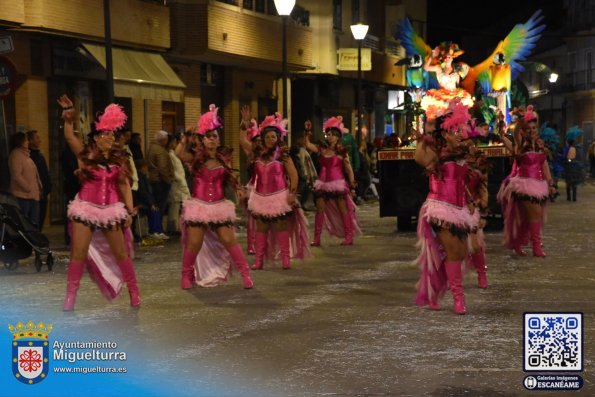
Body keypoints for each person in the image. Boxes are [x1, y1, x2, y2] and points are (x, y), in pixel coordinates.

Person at [57, 94, 140, 311]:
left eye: (112, 134)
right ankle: (70, 297)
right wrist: (69, 115)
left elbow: (124, 187)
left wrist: (129, 212)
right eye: (105, 134)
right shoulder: (84, 155)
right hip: (85, 208)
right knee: (78, 253)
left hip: (111, 210)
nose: (110, 137)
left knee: (121, 253)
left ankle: (134, 292)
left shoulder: (119, 159)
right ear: (96, 137)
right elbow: (69, 137)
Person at [179, 104, 253, 289]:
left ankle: (245, 274)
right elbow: (179, 153)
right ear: (202, 140)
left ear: (218, 140)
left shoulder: (223, 159)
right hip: (199, 206)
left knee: (229, 240)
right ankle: (186, 275)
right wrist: (186, 137)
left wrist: (238, 189)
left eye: (215, 136)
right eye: (208, 136)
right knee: (194, 242)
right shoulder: (195, 159)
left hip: (219, 205)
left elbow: (229, 178)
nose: (211, 139)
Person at [413, 98, 475, 315]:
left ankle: (435, 292)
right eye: (455, 130)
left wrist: (471, 200)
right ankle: (459, 299)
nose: (460, 133)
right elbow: (419, 159)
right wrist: (425, 136)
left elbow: (463, 182)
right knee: (453, 251)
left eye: (461, 129)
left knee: (460, 252)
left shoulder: (464, 154)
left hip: (459, 208)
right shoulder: (437, 153)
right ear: (445, 133)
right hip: (439, 207)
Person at [239, 107, 310, 270]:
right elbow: (242, 141)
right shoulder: (256, 152)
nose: (272, 139)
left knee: (281, 226)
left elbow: (293, 175)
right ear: (263, 138)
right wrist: (244, 124)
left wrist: (292, 194)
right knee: (261, 228)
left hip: (279, 195)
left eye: (274, 136)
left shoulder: (282, 154)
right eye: (269, 136)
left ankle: (285, 258)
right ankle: (259, 260)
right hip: (260, 196)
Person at [500, 106, 556, 257]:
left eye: (534, 127)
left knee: (525, 217)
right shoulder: (520, 144)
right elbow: (517, 132)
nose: (532, 130)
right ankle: (537, 247)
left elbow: (544, 165)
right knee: (535, 214)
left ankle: (518, 243)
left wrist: (550, 183)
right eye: (529, 128)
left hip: (539, 185)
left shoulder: (540, 145)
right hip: (524, 185)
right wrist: (521, 120)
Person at [304, 117, 361, 246]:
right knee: (320, 210)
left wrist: (352, 186)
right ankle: (316, 238)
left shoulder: (341, 152)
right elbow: (307, 145)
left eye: (332, 135)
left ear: (337, 137)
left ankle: (349, 236)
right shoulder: (322, 149)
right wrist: (307, 132)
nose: (329, 137)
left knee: (343, 210)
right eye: (328, 134)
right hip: (322, 184)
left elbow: (349, 169)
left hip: (337, 184)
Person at [422, 42, 474, 119]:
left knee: (455, 119)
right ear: (443, 58)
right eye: (445, 57)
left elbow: (457, 85)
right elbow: (426, 68)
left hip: (454, 96)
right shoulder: (439, 68)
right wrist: (432, 56)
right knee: (442, 118)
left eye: (449, 57)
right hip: (442, 98)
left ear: (452, 58)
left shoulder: (457, 70)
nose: (447, 59)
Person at [9, 131, 42, 227]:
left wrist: (39, 187)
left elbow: (34, 174)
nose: (28, 142)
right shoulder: (16, 155)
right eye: (26, 140)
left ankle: (34, 241)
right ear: (20, 141)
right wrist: (27, 188)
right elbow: (16, 175)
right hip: (23, 196)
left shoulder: (26, 155)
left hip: (33, 195)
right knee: (25, 224)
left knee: (34, 223)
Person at [147, 130, 173, 239]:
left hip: (154, 180)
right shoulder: (160, 151)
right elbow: (163, 168)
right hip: (160, 182)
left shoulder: (151, 148)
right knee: (159, 206)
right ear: (163, 140)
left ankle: (155, 229)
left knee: (155, 205)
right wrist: (168, 180)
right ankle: (157, 229)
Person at [26, 130, 52, 231]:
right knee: (35, 221)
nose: (39, 140)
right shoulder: (29, 157)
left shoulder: (39, 155)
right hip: (35, 194)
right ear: (30, 140)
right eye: (37, 138)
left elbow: (44, 173)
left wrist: (48, 187)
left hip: (43, 192)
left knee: (41, 219)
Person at [167, 134, 190, 233]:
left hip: (179, 183)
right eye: (175, 142)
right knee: (174, 206)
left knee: (178, 206)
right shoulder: (170, 154)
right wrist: (181, 180)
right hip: (176, 183)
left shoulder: (173, 154)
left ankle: (178, 226)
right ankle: (173, 227)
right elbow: (174, 170)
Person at [563, 126, 584, 202]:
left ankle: (569, 197)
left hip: (568, 165)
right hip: (575, 165)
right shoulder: (576, 148)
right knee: (574, 181)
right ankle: (574, 197)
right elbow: (578, 157)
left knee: (568, 182)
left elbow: (564, 156)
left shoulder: (566, 148)